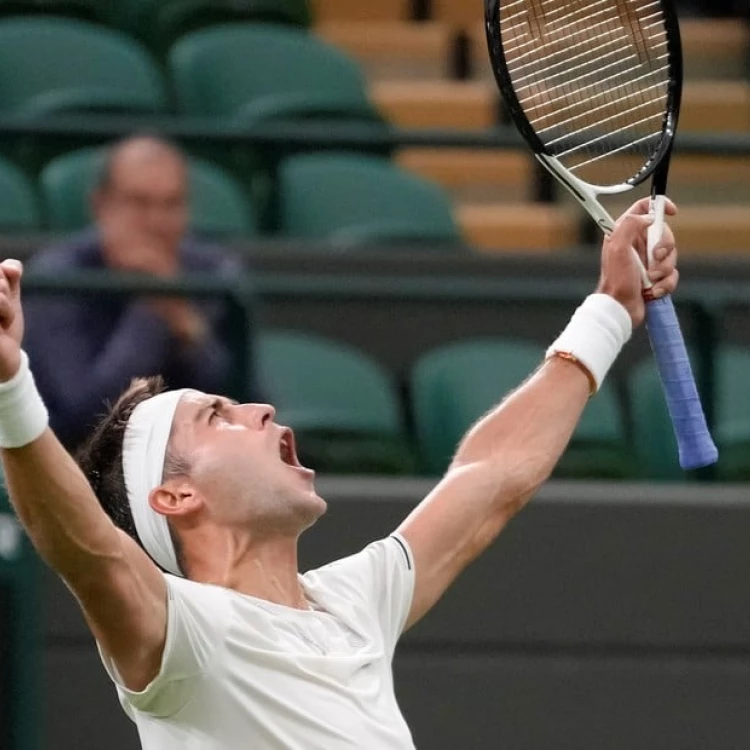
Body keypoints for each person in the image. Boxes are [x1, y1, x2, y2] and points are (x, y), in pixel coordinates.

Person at [0, 197, 678, 749]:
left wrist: (611, 309)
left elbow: (492, 473)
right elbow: (86, 548)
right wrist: (9, 385)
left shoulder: (355, 602)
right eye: (217, 415)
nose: (262, 409)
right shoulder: (184, 635)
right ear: (174, 494)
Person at [23, 134, 259, 449]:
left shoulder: (211, 273)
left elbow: (237, 404)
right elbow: (86, 418)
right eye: (139, 203)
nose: (156, 222)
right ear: (101, 205)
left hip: (189, 466)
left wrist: (189, 331)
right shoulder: (58, 279)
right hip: (81, 469)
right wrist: (153, 308)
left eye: (171, 204)